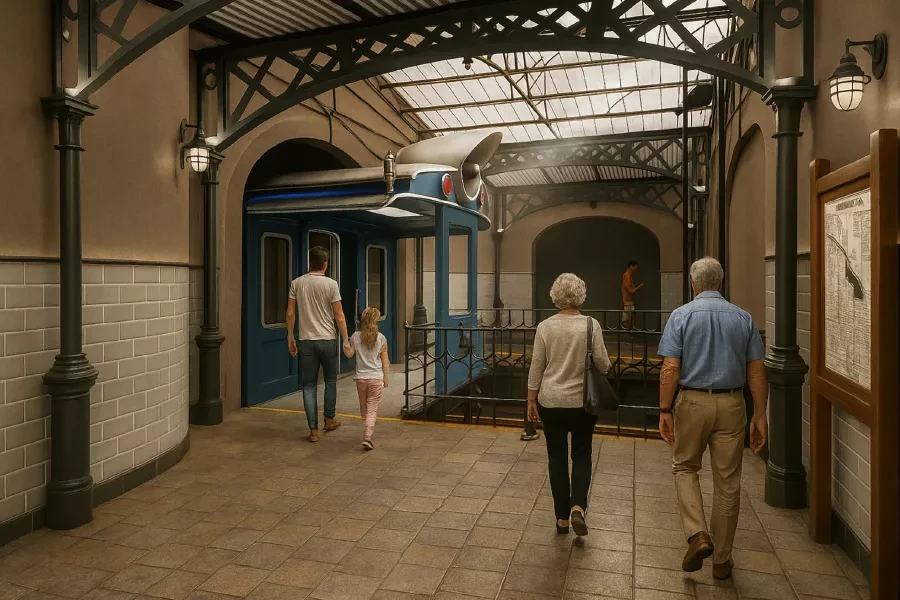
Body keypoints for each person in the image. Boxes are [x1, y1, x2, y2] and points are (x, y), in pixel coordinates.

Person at [657, 257, 768, 581]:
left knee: (685, 467)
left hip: (692, 402)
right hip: (732, 403)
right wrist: (760, 415)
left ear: (693, 284)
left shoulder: (681, 316)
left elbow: (670, 368)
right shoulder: (743, 318)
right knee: (728, 482)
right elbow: (756, 373)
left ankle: (697, 534)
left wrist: (664, 409)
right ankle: (721, 560)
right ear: (720, 282)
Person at [527, 273, 610, 537]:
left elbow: (536, 366)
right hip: (583, 403)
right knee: (582, 454)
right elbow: (603, 364)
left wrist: (531, 399)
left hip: (551, 401)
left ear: (555, 297)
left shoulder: (545, 327)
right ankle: (578, 508)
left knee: (557, 458)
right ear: (581, 296)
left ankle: (562, 519)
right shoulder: (591, 325)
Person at [286, 246, 351, 443]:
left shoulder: (296, 283)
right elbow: (339, 315)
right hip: (328, 339)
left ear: (309, 263)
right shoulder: (331, 284)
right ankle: (329, 420)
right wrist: (346, 340)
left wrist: (290, 337)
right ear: (325, 264)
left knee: (309, 385)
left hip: (306, 341)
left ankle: (313, 431)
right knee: (330, 381)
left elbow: (290, 313)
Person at [343, 307, 389, 451]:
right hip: (376, 378)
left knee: (364, 407)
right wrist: (386, 376)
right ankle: (368, 437)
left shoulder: (355, 336)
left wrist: (345, 343)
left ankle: (367, 422)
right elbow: (385, 360)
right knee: (372, 409)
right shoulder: (381, 338)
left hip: (361, 378)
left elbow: (349, 354)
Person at [621, 260, 644, 329]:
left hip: (629, 301)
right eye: (635, 267)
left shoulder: (628, 276)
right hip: (628, 302)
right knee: (627, 320)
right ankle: (627, 333)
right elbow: (630, 290)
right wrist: (640, 286)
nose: (636, 269)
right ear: (631, 266)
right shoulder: (627, 276)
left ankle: (629, 332)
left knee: (630, 319)